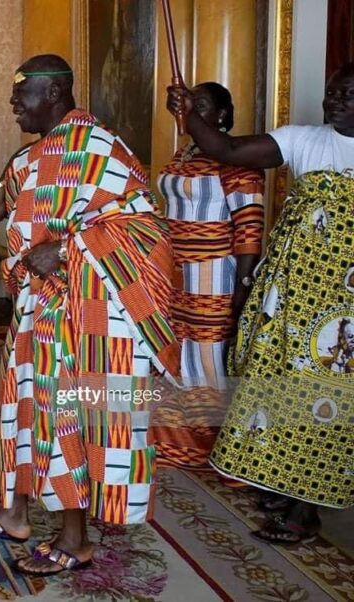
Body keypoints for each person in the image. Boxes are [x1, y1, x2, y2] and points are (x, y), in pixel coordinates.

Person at [0, 54, 180, 576]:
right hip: (36, 313)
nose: (12, 104)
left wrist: (68, 248)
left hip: (88, 317)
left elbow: (148, 230)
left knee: (66, 416)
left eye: (21, 95)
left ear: (53, 94)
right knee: (23, 408)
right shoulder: (27, 161)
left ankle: (76, 539)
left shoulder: (102, 150)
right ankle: (15, 513)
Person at [167, 61, 354, 544]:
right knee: (275, 385)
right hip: (292, 292)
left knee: (327, 397)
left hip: (343, 304)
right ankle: (281, 486)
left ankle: (304, 507)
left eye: (348, 94)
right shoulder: (302, 139)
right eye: (333, 92)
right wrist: (191, 113)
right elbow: (226, 149)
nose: (334, 100)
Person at [155, 83, 264, 469]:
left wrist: (243, 287)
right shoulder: (181, 154)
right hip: (174, 271)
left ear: (220, 115)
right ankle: (177, 439)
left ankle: (215, 444)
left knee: (208, 353)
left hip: (213, 273)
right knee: (177, 350)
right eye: (187, 104)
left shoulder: (237, 159)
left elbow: (250, 228)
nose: (190, 110)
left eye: (200, 105)